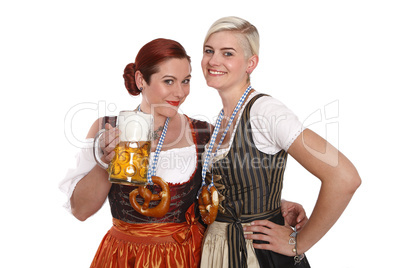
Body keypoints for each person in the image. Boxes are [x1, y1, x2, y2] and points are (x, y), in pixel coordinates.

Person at [59, 38, 308, 268]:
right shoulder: (107, 129)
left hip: (188, 255)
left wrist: (277, 206)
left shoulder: (203, 132)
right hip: (125, 257)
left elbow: (228, 193)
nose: (180, 93)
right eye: (169, 81)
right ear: (140, 80)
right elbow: (81, 211)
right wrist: (106, 163)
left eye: (186, 81)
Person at [198, 16, 361, 268]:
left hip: (257, 256)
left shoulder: (266, 111)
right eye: (209, 51)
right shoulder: (221, 118)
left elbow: (344, 177)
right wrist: (272, 203)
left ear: (251, 63)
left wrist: (300, 243)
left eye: (227, 53)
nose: (213, 61)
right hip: (218, 253)